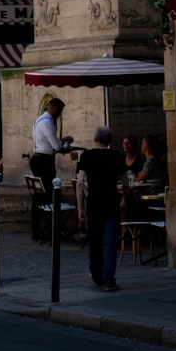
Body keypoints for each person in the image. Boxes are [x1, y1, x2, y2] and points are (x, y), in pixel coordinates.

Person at [76, 126, 126, 292]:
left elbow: (79, 183)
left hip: (94, 203)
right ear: (110, 141)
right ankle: (110, 280)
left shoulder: (87, 156)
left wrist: (80, 208)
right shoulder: (116, 156)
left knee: (95, 240)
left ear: (95, 139)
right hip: (111, 202)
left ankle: (96, 275)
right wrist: (125, 198)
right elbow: (124, 181)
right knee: (111, 242)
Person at [30, 98, 73, 240]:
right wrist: (65, 139)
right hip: (44, 161)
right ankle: (48, 230)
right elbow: (56, 146)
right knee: (47, 195)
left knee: (39, 196)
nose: (59, 114)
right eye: (59, 111)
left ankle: (39, 230)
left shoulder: (38, 120)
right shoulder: (47, 122)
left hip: (38, 158)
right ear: (53, 108)